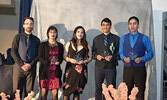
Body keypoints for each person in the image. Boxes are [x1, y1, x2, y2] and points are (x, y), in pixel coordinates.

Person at [119, 16, 154, 100]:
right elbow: (120, 52)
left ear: (138, 25)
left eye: (134, 23)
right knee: (126, 92)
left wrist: (142, 59)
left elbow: (150, 53)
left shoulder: (145, 38)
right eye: (130, 24)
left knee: (140, 92)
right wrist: (124, 58)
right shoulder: (123, 38)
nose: (132, 26)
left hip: (140, 69)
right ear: (128, 25)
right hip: (127, 69)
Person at [11, 17, 40, 98]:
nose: (29, 25)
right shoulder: (17, 37)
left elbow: (38, 55)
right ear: (23, 25)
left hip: (31, 69)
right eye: (27, 24)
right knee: (16, 91)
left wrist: (30, 64)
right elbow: (13, 51)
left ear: (33, 26)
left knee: (29, 92)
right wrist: (21, 64)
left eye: (31, 24)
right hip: (18, 68)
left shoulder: (36, 40)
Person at [92, 18, 120, 100]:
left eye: (107, 25)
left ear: (110, 26)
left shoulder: (116, 39)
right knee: (98, 89)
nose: (105, 27)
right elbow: (92, 53)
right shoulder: (96, 39)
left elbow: (120, 54)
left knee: (111, 90)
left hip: (111, 68)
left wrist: (112, 57)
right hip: (99, 67)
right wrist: (96, 56)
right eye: (104, 25)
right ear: (101, 26)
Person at [63, 26, 92, 100]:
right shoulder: (69, 43)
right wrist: (70, 59)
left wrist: (84, 61)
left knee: (77, 93)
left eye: (82, 32)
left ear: (84, 34)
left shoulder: (86, 44)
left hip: (80, 72)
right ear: (75, 33)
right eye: (78, 32)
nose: (80, 34)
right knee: (66, 92)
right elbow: (64, 56)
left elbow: (90, 58)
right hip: (70, 71)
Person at [38, 26, 64, 100]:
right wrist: (49, 63)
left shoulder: (60, 46)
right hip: (45, 71)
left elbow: (61, 58)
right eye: (51, 32)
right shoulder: (42, 45)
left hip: (55, 71)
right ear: (48, 34)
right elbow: (40, 58)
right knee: (44, 93)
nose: (53, 34)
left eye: (54, 32)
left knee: (55, 94)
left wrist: (59, 62)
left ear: (57, 34)